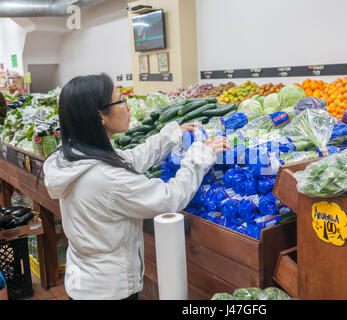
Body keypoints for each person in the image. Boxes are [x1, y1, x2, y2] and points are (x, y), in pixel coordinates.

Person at [42, 74, 230, 300]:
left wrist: (170, 137)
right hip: (110, 291)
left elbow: (128, 159)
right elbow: (168, 198)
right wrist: (200, 156)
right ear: (100, 115)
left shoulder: (73, 158)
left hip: (85, 281)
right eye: (120, 100)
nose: (127, 106)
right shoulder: (107, 178)